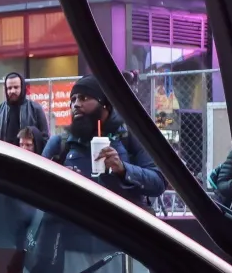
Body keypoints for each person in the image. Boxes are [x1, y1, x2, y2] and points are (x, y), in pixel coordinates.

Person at [42, 79, 166, 208]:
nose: (76, 105)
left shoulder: (129, 136)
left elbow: (158, 184)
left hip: (121, 224)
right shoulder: (60, 143)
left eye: (84, 98)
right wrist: (58, 180)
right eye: (73, 100)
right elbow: (36, 187)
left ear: (105, 104)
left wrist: (123, 169)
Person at [0, 72, 51, 148]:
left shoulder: (35, 109)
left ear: (22, 87)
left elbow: (45, 138)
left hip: (28, 158)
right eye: (9, 88)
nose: (12, 91)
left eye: (16, 87)